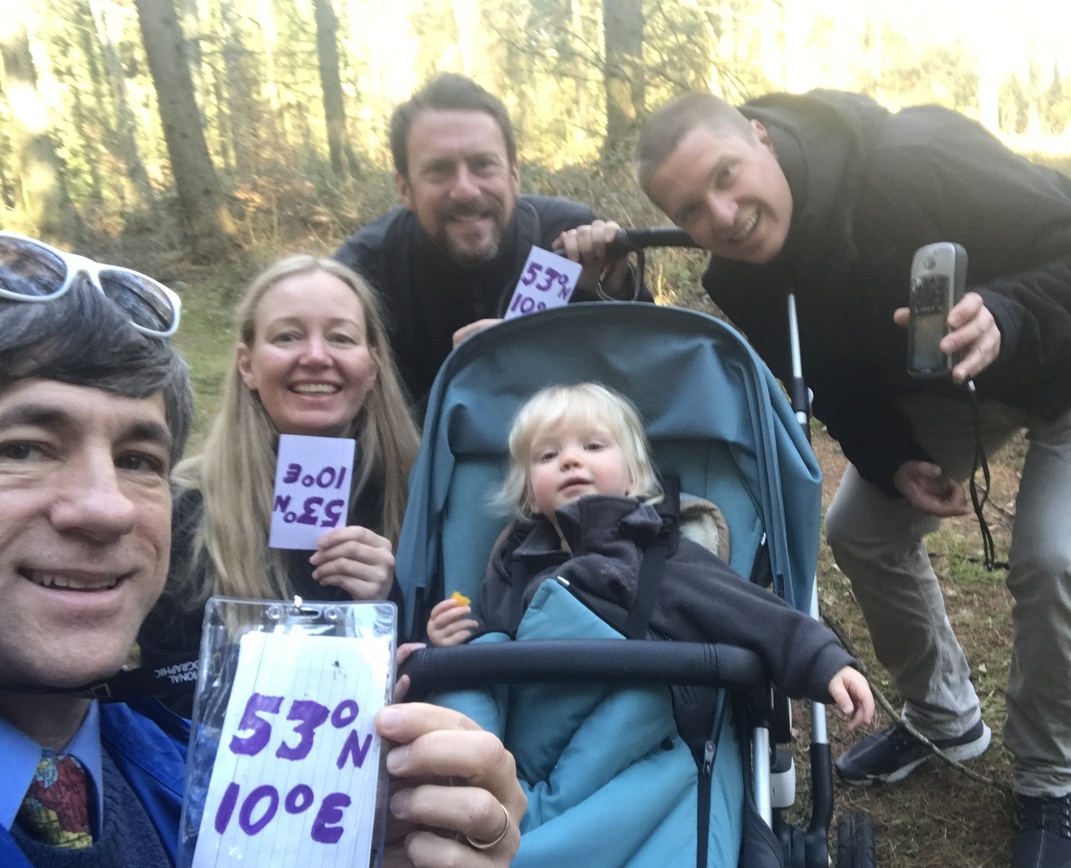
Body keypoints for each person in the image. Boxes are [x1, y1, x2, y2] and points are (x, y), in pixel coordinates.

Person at [633, 90, 1071, 868]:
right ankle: (944, 716)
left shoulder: (911, 158)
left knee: (1057, 553)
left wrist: (1008, 310)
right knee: (860, 529)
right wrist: (894, 461)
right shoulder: (745, 281)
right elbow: (836, 386)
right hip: (969, 371)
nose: (726, 213)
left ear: (760, 138)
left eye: (727, 174)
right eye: (692, 207)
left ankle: (1048, 779)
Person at [0, 232, 524, 868]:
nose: (105, 509)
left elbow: (458, 619)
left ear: (373, 361)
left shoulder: (434, 492)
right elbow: (148, 676)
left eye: (138, 461)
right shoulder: (190, 515)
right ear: (245, 363)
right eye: (22, 449)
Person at [426, 382, 874, 733]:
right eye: (548, 454)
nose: (570, 460)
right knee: (473, 677)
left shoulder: (654, 552)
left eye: (593, 447)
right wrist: (450, 644)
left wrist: (822, 661)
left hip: (629, 724)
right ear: (528, 491)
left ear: (633, 477)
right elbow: (491, 644)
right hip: (531, 730)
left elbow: (743, 610)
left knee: (641, 709)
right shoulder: (513, 566)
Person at [137, 255, 421, 715]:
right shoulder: (181, 508)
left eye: (341, 337)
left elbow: (442, 673)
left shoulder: (420, 497)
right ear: (247, 365)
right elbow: (165, 695)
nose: (314, 356)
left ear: (372, 368)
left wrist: (383, 611)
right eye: (287, 336)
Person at [335, 73, 644, 415]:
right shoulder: (364, 273)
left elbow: (646, 373)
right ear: (405, 188)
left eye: (483, 165)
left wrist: (613, 287)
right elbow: (337, 415)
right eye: (439, 170)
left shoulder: (567, 236)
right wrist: (466, 378)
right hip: (419, 460)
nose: (465, 190)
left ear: (514, 176)